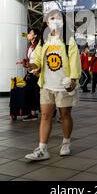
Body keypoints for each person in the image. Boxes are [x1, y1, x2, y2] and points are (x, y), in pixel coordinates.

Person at [25, 9, 81, 161]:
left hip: (64, 85)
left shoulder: (69, 40)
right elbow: (36, 60)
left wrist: (74, 80)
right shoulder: (44, 41)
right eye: (51, 18)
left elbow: (75, 62)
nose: (53, 21)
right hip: (46, 85)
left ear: (62, 22)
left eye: (57, 18)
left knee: (65, 115)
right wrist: (31, 66)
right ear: (46, 22)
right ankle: (42, 149)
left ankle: (66, 142)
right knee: (45, 115)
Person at [17, 28, 41, 121]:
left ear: (35, 35)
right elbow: (29, 59)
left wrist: (38, 69)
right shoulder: (30, 47)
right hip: (31, 72)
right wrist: (24, 62)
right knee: (30, 93)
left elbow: (41, 60)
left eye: (30, 33)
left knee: (38, 94)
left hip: (38, 73)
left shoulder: (39, 46)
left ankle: (50, 110)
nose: (28, 34)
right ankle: (33, 113)